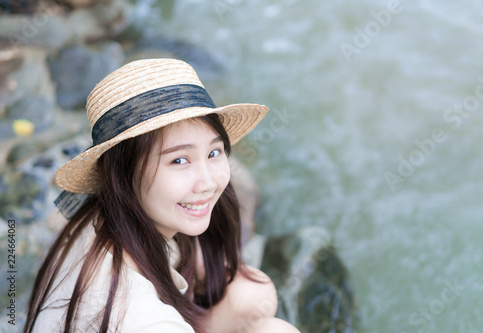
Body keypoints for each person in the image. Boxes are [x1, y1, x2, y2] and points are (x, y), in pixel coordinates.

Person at [24, 59, 300, 333]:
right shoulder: (141, 318)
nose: (208, 183)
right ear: (123, 175)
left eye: (213, 152)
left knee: (253, 291)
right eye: (179, 160)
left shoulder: (101, 217)